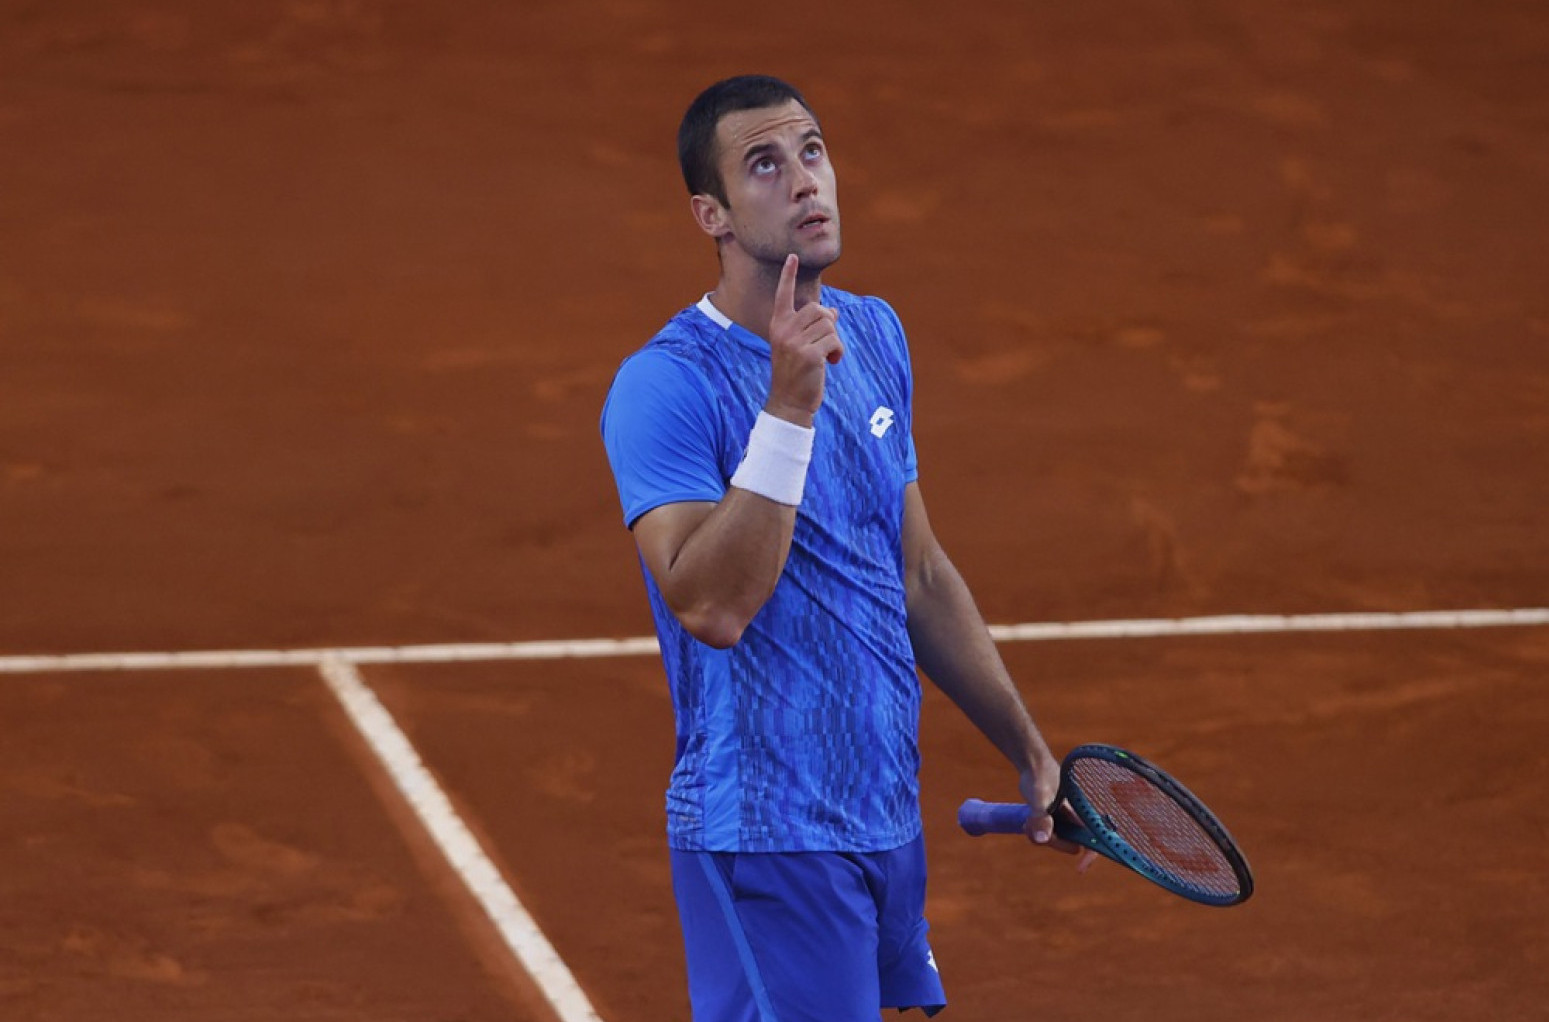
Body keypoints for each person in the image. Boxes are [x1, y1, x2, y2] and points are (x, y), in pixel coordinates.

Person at [600, 74, 1087, 1021]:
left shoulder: (872, 333)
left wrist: (1030, 752)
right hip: (767, 836)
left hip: (883, 817)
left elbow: (918, 573)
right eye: (763, 165)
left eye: (812, 151)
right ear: (711, 214)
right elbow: (710, 605)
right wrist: (786, 408)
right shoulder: (665, 385)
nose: (803, 181)